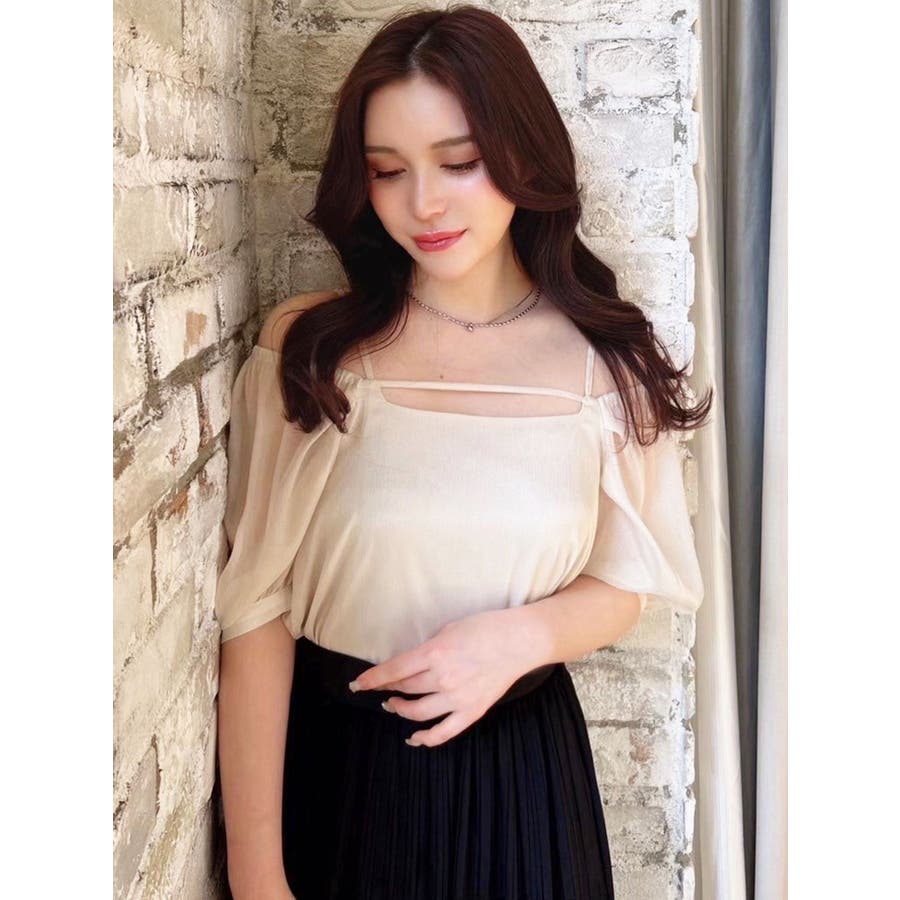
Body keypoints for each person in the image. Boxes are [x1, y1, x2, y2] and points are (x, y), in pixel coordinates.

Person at [215, 5, 713, 899]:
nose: (424, 204)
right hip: (343, 780)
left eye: (459, 162)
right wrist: (257, 877)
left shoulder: (604, 362)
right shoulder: (316, 351)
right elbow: (254, 610)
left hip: (525, 791)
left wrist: (521, 637)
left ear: (523, 153)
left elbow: (626, 583)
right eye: (387, 171)